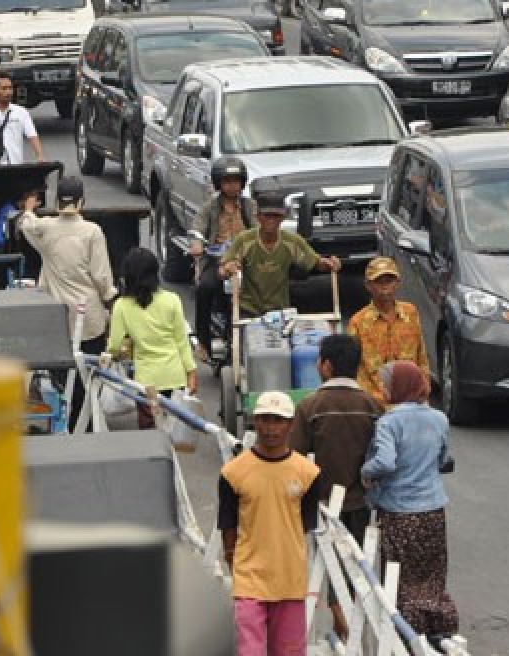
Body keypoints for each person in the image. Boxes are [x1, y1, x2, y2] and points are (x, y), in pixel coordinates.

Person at [289, 334, 384, 640]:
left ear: (326, 366)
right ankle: (354, 622)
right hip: (362, 501)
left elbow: (295, 458)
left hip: (325, 504)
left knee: (329, 565)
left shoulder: (310, 406)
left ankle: (342, 622)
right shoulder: (372, 406)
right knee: (359, 563)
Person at [219, 391, 324, 656]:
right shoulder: (233, 473)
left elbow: (304, 525)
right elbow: (228, 525)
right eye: (265, 419)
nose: (271, 428)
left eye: (278, 420)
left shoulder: (308, 474)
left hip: (289, 579)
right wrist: (234, 563)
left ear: (290, 425)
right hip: (249, 579)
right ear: (255, 421)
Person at [362, 361, 457, 648]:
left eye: (388, 384)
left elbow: (385, 461)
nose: (384, 389)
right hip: (432, 509)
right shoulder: (439, 419)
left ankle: (407, 634)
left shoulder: (389, 423)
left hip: (399, 511)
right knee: (431, 571)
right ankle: (438, 629)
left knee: (400, 574)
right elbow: (443, 460)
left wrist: (366, 472)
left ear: (398, 387)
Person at [19, 176, 117, 353]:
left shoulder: (45, 228)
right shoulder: (92, 232)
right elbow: (101, 276)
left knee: (62, 376)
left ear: (57, 202)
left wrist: (28, 209)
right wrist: (110, 299)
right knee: (90, 373)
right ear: (82, 202)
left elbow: (26, 225)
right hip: (89, 318)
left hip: (58, 318)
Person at [106, 248, 197, 429]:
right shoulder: (172, 300)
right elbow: (181, 341)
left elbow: (114, 346)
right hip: (175, 377)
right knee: (173, 432)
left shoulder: (122, 306)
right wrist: (191, 373)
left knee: (151, 434)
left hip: (147, 383)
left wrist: (116, 352)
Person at [218, 189, 341, 318]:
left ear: (282, 217)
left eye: (275, 216)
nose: (271, 220)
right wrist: (227, 269)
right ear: (258, 216)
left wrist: (330, 264)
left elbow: (315, 263)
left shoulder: (292, 241)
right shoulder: (244, 240)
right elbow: (222, 270)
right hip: (249, 309)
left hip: (280, 310)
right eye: (267, 215)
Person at [191, 157, 255, 361]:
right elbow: (198, 228)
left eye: (236, 181)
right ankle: (203, 341)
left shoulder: (250, 206)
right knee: (205, 288)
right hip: (217, 261)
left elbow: (258, 230)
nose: (232, 185)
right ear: (219, 183)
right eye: (227, 181)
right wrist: (197, 243)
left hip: (245, 262)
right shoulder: (210, 208)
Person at [347, 257, 428, 404]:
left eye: (389, 281)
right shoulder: (358, 322)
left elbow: (421, 355)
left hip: (410, 401)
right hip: (374, 402)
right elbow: (354, 368)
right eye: (379, 282)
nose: (385, 287)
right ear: (368, 286)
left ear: (397, 283)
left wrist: (424, 390)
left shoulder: (411, 313)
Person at [0, 71, 43, 165]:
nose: (8, 92)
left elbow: (32, 135)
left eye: (10, 88)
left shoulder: (21, 112)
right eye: (4, 88)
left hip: (16, 166)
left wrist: (40, 156)